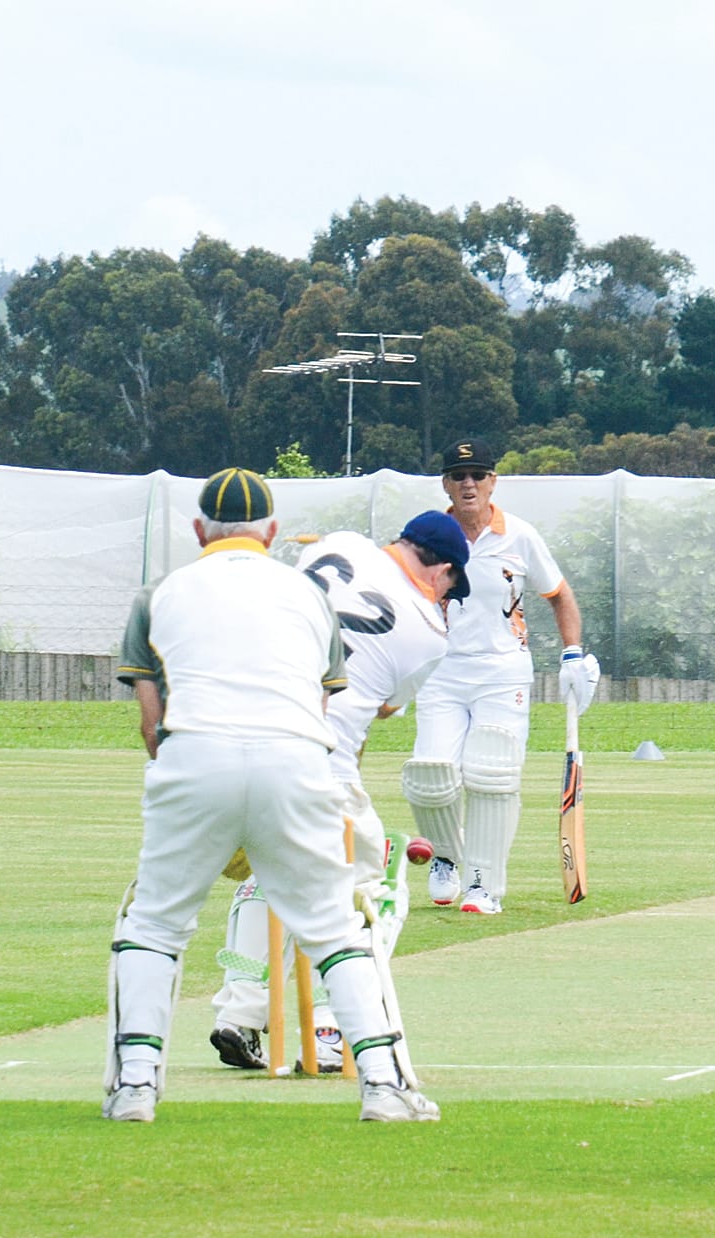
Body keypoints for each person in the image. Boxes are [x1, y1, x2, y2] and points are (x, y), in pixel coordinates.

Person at [101, 469, 459, 1124]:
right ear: (269, 533)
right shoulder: (305, 596)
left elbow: (151, 725)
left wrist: (209, 802)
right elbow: (323, 704)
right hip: (298, 759)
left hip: (194, 756)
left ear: (197, 530)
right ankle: (382, 1084)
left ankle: (135, 1086)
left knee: (152, 923)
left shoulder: (160, 594)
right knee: (334, 924)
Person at [207, 511, 470, 1074]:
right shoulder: (430, 632)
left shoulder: (341, 543)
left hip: (234, 739)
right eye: (451, 587)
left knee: (266, 875)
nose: (447, 598)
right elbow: (380, 707)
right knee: (374, 880)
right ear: (442, 571)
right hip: (319, 763)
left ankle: (240, 1012)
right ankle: (334, 1029)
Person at [403, 438, 600, 915]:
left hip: (502, 671)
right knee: (431, 774)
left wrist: (572, 654)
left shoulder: (520, 536)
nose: (468, 484)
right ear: (446, 484)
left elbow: (559, 594)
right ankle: (447, 857)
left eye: (478, 475)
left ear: (493, 481)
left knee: (491, 773)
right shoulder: (426, 537)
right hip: (441, 672)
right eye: (458, 476)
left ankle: (483, 884)